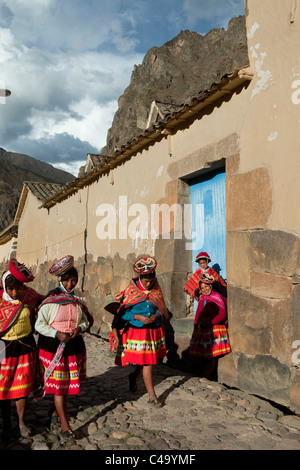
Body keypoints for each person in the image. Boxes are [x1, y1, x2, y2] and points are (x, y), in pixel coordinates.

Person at [35, 255, 93, 439]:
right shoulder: (50, 301)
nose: (70, 284)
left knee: (64, 385)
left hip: (72, 346)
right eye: (67, 280)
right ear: (60, 280)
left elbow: (85, 321)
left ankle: (55, 413)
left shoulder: (76, 302)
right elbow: (39, 325)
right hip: (54, 347)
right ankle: (65, 425)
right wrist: (57, 334)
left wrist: (79, 328)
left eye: (73, 281)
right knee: (60, 387)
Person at [114, 256, 168, 407]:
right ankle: (152, 396)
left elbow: (162, 308)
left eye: (151, 280)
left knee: (147, 360)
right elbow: (122, 313)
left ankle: (133, 376)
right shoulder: (131, 291)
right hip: (138, 332)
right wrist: (137, 316)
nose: (149, 284)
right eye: (146, 281)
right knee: (148, 362)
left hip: (152, 330)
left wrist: (157, 315)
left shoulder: (156, 289)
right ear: (140, 278)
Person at [0, 259, 43, 439]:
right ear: (4, 287)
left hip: (26, 347)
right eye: (11, 289)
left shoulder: (29, 297)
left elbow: (44, 305)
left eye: (18, 288)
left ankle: (21, 422)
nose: (15, 293)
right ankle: (6, 422)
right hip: (4, 349)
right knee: (3, 388)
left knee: (22, 387)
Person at [189, 273, 231, 379]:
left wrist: (210, 323)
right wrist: (196, 326)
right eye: (202, 288)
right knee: (204, 354)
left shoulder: (216, 297)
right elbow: (198, 313)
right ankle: (205, 376)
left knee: (211, 356)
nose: (205, 289)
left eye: (206, 287)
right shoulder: (202, 298)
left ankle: (207, 377)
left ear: (210, 286)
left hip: (214, 330)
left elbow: (222, 314)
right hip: (203, 330)